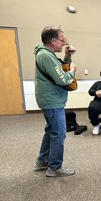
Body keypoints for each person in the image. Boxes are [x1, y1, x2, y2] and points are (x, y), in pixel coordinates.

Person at [33, 26, 77, 177]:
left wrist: (67, 57)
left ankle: (42, 161)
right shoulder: (46, 56)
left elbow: (58, 69)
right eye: (62, 40)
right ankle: (55, 168)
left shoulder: (46, 54)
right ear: (53, 41)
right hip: (52, 101)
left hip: (49, 99)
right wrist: (72, 71)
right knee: (58, 134)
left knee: (50, 131)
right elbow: (63, 78)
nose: (64, 43)